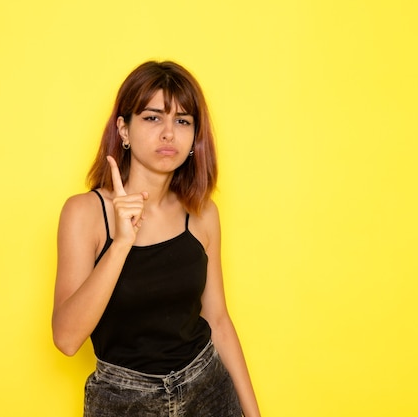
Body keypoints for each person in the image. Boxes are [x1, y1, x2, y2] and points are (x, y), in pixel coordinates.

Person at [52, 60, 261, 417]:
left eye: (182, 121)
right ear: (124, 129)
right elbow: (67, 340)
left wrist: (254, 414)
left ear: (195, 136)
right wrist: (121, 243)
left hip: (207, 390)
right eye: (152, 118)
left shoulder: (202, 213)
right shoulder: (84, 214)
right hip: (123, 401)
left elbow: (219, 321)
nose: (168, 133)